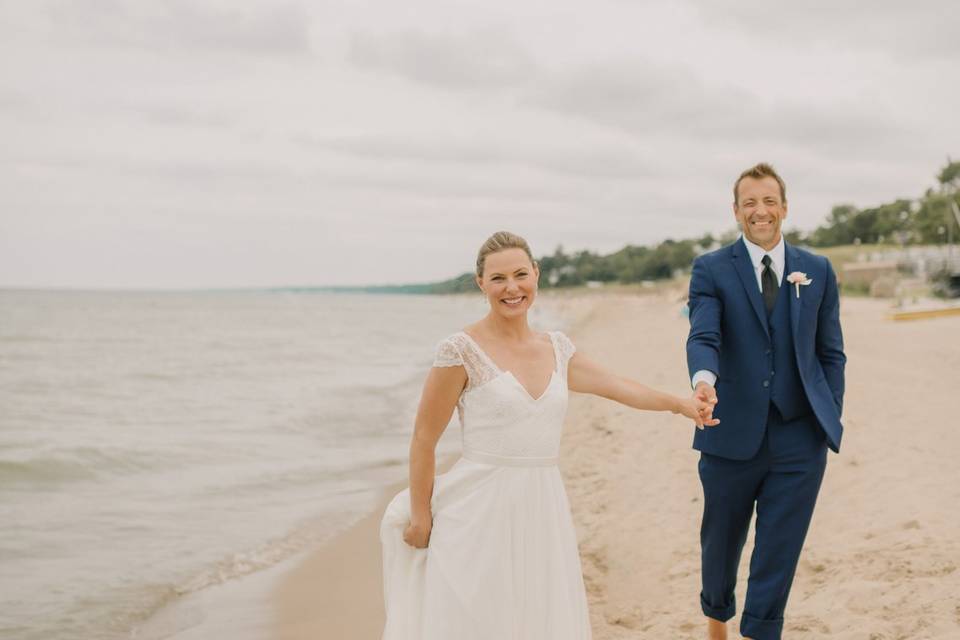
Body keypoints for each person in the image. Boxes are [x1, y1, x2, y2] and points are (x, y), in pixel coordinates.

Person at [380, 231, 716, 640]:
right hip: (478, 508)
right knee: (477, 618)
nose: (512, 288)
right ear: (481, 283)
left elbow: (617, 385)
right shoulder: (460, 350)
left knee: (537, 616)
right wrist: (421, 515)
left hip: (542, 504)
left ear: (536, 275)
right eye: (499, 278)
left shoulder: (556, 348)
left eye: (521, 274)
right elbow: (423, 438)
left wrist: (678, 404)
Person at [686, 163, 846, 640]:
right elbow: (704, 334)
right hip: (729, 429)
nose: (761, 210)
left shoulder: (816, 269)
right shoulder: (711, 268)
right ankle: (717, 618)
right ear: (736, 212)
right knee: (721, 541)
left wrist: (827, 414)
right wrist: (703, 378)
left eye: (769, 200)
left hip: (800, 437)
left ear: (784, 207)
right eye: (750, 202)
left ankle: (760, 632)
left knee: (780, 548)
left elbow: (830, 352)